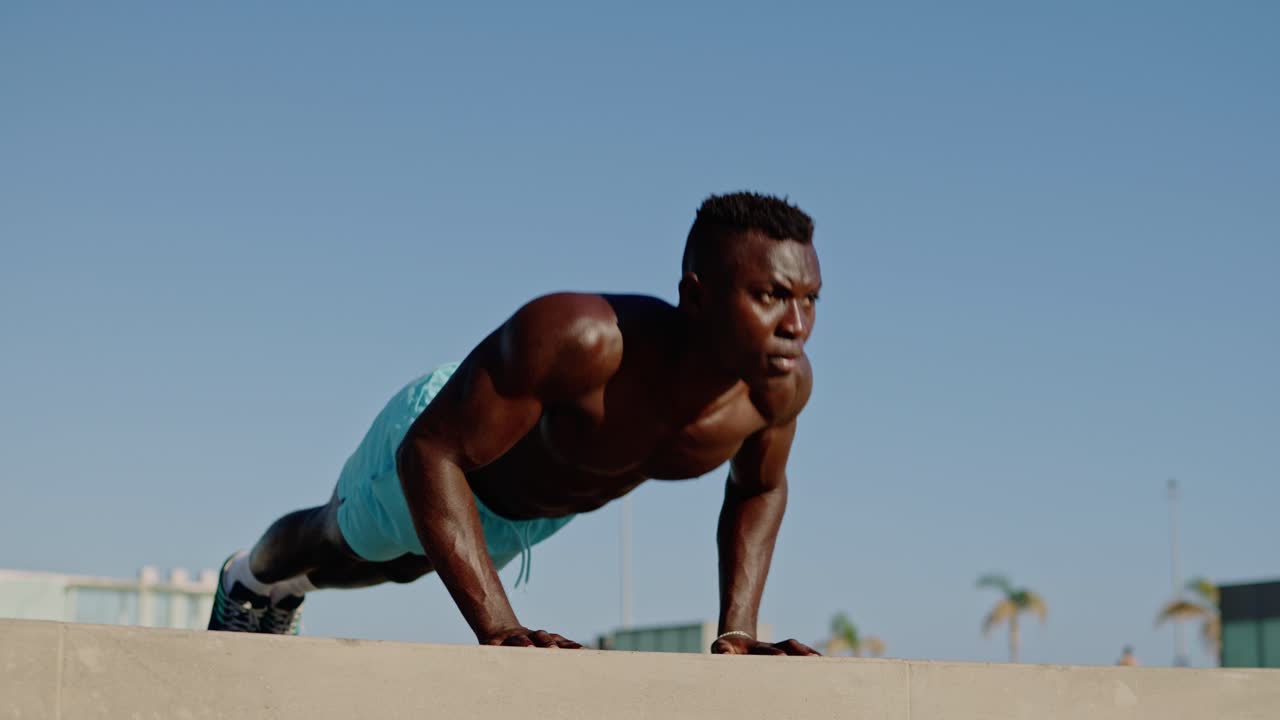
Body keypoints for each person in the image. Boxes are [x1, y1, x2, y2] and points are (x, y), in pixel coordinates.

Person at [208, 191, 823, 656]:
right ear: (697, 296)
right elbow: (430, 453)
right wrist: (499, 629)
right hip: (445, 441)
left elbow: (759, 487)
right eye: (770, 295)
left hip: (529, 513)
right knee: (340, 538)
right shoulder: (580, 338)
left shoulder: (779, 390)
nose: (796, 323)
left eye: (809, 298)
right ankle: (249, 578)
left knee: (399, 567)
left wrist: (738, 630)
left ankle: (289, 593)